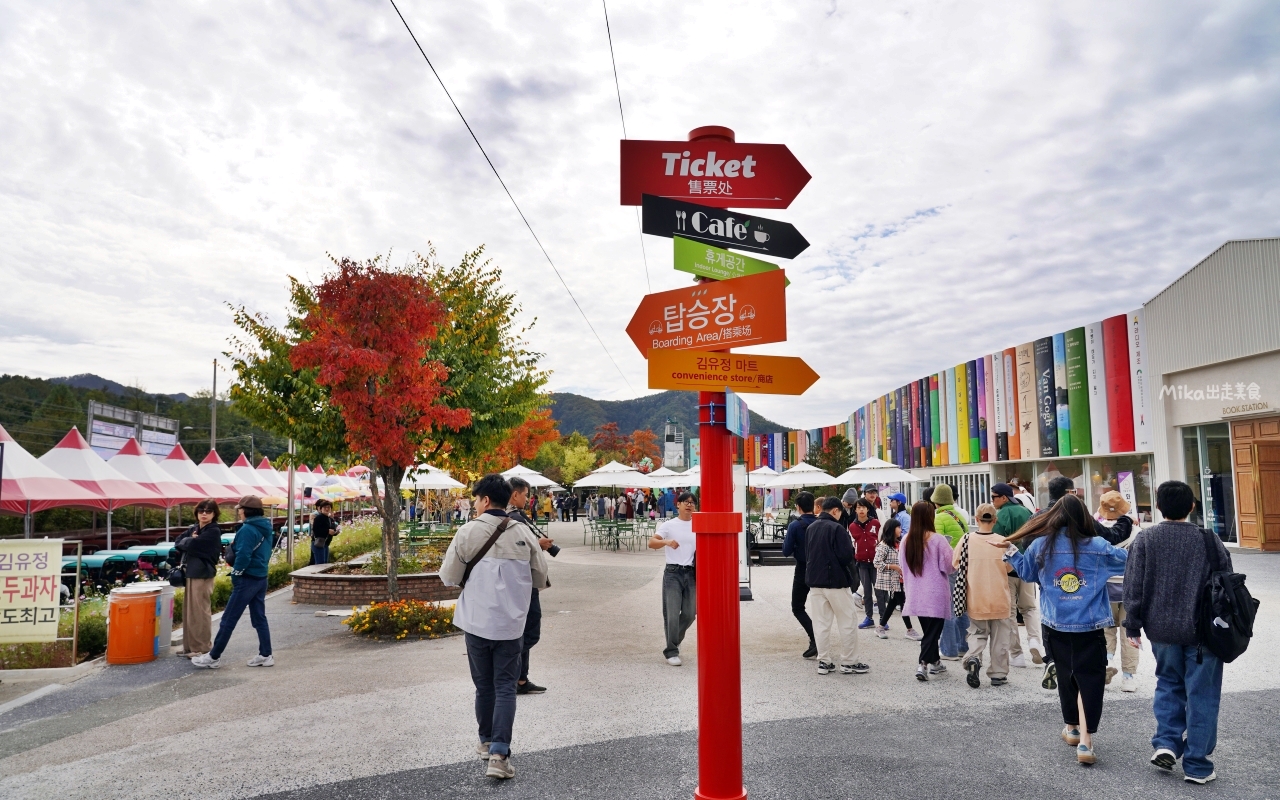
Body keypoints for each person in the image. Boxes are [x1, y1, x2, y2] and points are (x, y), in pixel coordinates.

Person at [997, 494, 1129, 766]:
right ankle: (1086, 742)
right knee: (1090, 682)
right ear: (1085, 518)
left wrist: (1010, 551)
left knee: (1067, 678)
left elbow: (1028, 574)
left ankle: (1071, 728)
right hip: (1090, 627)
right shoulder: (1098, 546)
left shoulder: (1042, 545)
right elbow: (1128, 562)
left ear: (1054, 516)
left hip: (1055, 625)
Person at [441, 474, 550, 781]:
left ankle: (486, 741)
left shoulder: (467, 532)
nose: (475, 505)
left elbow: (449, 577)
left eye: (476, 499)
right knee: (505, 686)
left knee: (484, 685)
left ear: (485, 500)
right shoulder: (524, 534)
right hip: (511, 625)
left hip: (475, 622)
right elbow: (540, 578)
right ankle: (500, 756)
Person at [1124, 480, 1232, 784]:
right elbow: (1227, 584)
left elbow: (1133, 586)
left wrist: (1132, 624)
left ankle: (1167, 743)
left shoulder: (1146, 539)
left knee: (1168, 683)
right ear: (1192, 507)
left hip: (1161, 629)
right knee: (1203, 694)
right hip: (1203, 633)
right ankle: (1197, 764)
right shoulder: (1210, 540)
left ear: (1158, 507)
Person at [192, 496, 275, 670]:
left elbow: (244, 555)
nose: (239, 512)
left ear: (244, 510)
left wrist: (236, 575)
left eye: (240, 509)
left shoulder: (247, 529)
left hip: (247, 579)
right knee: (259, 618)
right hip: (261, 577)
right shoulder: (266, 527)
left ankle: (213, 657)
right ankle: (266, 654)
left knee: (228, 619)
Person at [805, 497, 869, 675]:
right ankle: (849, 661)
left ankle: (824, 661)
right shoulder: (837, 528)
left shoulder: (811, 528)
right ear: (835, 511)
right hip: (836, 582)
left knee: (821, 623)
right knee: (847, 621)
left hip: (815, 581)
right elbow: (846, 556)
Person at [507, 477, 557, 696]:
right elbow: (513, 547)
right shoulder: (511, 518)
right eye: (525, 494)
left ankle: (520, 679)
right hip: (522, 582)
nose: (527, 499)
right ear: (515, 494)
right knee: (529, 632)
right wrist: (538, 544)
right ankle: (511, 675)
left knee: (525, 630)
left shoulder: (515, 516)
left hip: (525, 581)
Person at [956, 504, 1014, 688]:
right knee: (1001, 637)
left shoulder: (966, 539)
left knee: (977, 632)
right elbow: (1010, 566)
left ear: (976, 519)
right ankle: (998, 674)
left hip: (976, 596)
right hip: (999, 596)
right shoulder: (1003, 541)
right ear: (995, 520)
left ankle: (973, 658)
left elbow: (955, 562)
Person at [900, 501, 954, 681]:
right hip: (936, 592)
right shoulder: (938, 540)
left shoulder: (906, 540)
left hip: (915, 592)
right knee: (933, 633)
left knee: (929, 631)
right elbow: (948, 566)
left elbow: (903, 566)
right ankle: (922, 663)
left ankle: (935, 662)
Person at [991, 482, 1039, 668]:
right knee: (1029, 608)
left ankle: (1017, 654)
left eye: (994, 496)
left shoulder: (1000, 515)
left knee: (1009, 612)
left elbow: (996, 543)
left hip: (1007, 567)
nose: (992, 500)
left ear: (1004, 497)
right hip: (1027, 566)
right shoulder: (1026, 512)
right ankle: (1035, 640)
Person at [1095, 491, 1139, 693]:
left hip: (1105, 587)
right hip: (1130, 588)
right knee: (1130, 632)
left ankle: (1107, 660)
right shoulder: (1136, 532)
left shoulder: (1096, 531)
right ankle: (1128, 677)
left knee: (1107, 629)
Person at [649, 491, 698, 666]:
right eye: (685, 501)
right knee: (671, 613)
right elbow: (651, 542)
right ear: (678, 504)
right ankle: (671, 651)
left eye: (692, 502)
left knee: (690, 613)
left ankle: (673, 641)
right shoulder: (669, 525)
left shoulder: (698, 524)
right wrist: (666, 542)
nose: (689, 504)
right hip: (673, 572)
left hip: (691, 572)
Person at [174, 498, 222, 658]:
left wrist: (190, 541)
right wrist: (190, 540)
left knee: (200, 612)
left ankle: (202, 647)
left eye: (208, 511)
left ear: (214, 514)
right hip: (191, 572)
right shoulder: (195, 528)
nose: (204, 514)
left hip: (202, 574)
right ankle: (189, 647)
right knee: (189, 612)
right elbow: (177, 542)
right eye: (201, 510)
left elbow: (191, 545)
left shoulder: (213, 530)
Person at [930, 484, 970, 662]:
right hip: (962, 564)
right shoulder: (958, 515)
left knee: (948, 607)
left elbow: (935, 545)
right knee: (961, 605)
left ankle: (949, 649)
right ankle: (964, 646)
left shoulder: (939, 518)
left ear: (935, 502)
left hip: (948, 566)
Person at [781, 492, 818, 659]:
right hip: (823, 569)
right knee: (822, 609)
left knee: (797, 607)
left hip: (803, 569)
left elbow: (785, 551)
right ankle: (820, 640)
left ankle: (814, 638)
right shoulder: (822, 523)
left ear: (798, 507)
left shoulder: (795, 526)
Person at [872, 518, 918, 641]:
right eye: (898, 527)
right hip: (892, 580)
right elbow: (876, 562)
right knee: (903, 603)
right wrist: (894, 567)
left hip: (899, 579)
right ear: (892, 529)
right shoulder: (884, 546)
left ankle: (880, 626)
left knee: (893, 603)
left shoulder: (898, 543)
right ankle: (910, 629)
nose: (900, 529)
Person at [848, 498, 881, 630]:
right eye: (858, 507)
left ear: (868, 509)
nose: (861, 510)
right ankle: (869, 617)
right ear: (855, 509)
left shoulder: (876, 523)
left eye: (863, 507)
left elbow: (881, 538)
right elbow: (852, 542)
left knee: (879, 590)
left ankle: (883, 619)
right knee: (867, 591)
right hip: (861, 562)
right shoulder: (852, 526)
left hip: (876, 562)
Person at [310, 499, 338, 566]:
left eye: (328, 507)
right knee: (320, 565)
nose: (327, 509)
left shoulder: (330, 519)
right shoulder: (319, 518)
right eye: (325, 507)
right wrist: (327, 531)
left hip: (325, 544)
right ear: (320, 509)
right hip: (318, 544)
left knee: (325, 564)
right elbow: (316, 530)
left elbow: (332, 528)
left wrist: (335, 532)